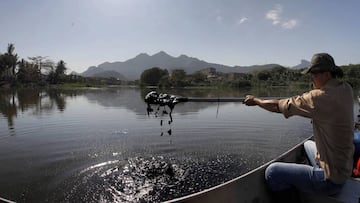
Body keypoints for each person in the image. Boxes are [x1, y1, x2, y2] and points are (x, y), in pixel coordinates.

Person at [243, 53, 354, 196]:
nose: (311, 78)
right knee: (308, 144)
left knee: (273, 172)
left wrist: (256, 101)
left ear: (326, 74)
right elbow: (332, 112)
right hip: (343, 169)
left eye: (314, 74)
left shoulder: (319, 98)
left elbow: (278, 106)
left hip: (330, 180)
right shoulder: (346, 89)